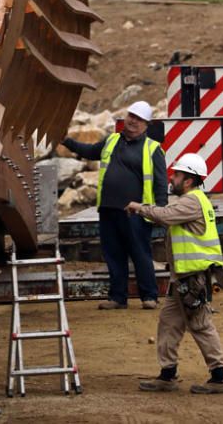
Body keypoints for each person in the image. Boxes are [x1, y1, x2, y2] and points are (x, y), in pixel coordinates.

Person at [125, 152, 223, 394]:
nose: (172, 178)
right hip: (183, 278)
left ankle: (219, 377)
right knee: (169, 323)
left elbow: (165, 216)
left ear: (189, 180)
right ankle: (167, 374)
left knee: (201, 325)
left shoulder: (192, 201)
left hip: (192, 278)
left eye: (177, 175)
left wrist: (140, 208)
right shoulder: (194, 200)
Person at [61, 100, 166, 310]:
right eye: (131, 116)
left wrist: (160, 212)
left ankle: (149, 295)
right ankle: (118, 297)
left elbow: (161, 182)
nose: (133, 122)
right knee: (113, 254)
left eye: (139, 119)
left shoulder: (152, 149)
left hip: (135, 212)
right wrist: (66, 141)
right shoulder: (111, 140)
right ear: (125, 118)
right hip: (109, 209)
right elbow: (90, 151)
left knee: (140, 254)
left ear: (146, 125)